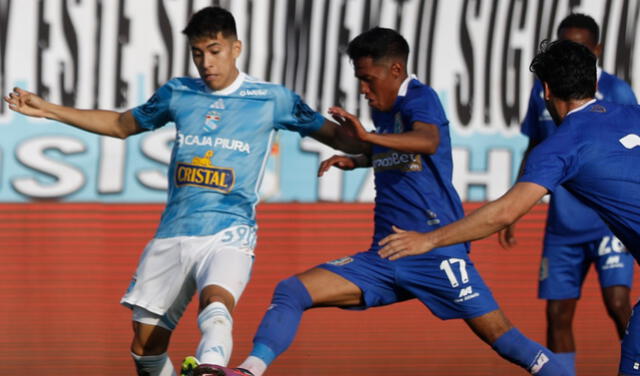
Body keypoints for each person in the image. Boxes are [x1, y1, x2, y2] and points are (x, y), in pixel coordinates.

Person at [3, 6, 368, 376]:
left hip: (230, 228)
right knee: (144, 348)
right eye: (198, 53)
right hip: (174, 232)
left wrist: (378, 144)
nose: (206, 62)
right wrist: (49, 110)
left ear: (236, 47)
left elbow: (337, 136)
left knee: (216, 305)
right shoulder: (177, 93)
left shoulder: (273, 99)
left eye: (214, 50)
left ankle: (212, 369)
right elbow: (119, 124)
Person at [234, 27, 569, 376]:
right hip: (385, 255)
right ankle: (249, 370)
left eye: (368, 79)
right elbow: (402, 153)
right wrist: (362, 158)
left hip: (434, 254)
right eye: (359, 80)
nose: (363, 89)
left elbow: (427, 141)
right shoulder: (385, 109)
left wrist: (368, 138)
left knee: (505, 340)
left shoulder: (420, 98)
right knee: (292, 290)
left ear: (395, 71)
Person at [378, 39, 640, 376]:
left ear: (546, 91)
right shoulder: (633, 113)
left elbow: (504, 213)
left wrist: (428, 240)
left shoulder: (561, 145)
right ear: (593, 82)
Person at [500, 13, 637, 375]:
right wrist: (515, 208)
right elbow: (536, 145)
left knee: (619, 302)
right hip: (563, 223)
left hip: (609, 222)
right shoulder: (542, 91)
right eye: (565, 45)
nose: (571, 53)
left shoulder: (618, 92)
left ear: (597, 51)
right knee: (558, 312)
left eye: (579, 47)